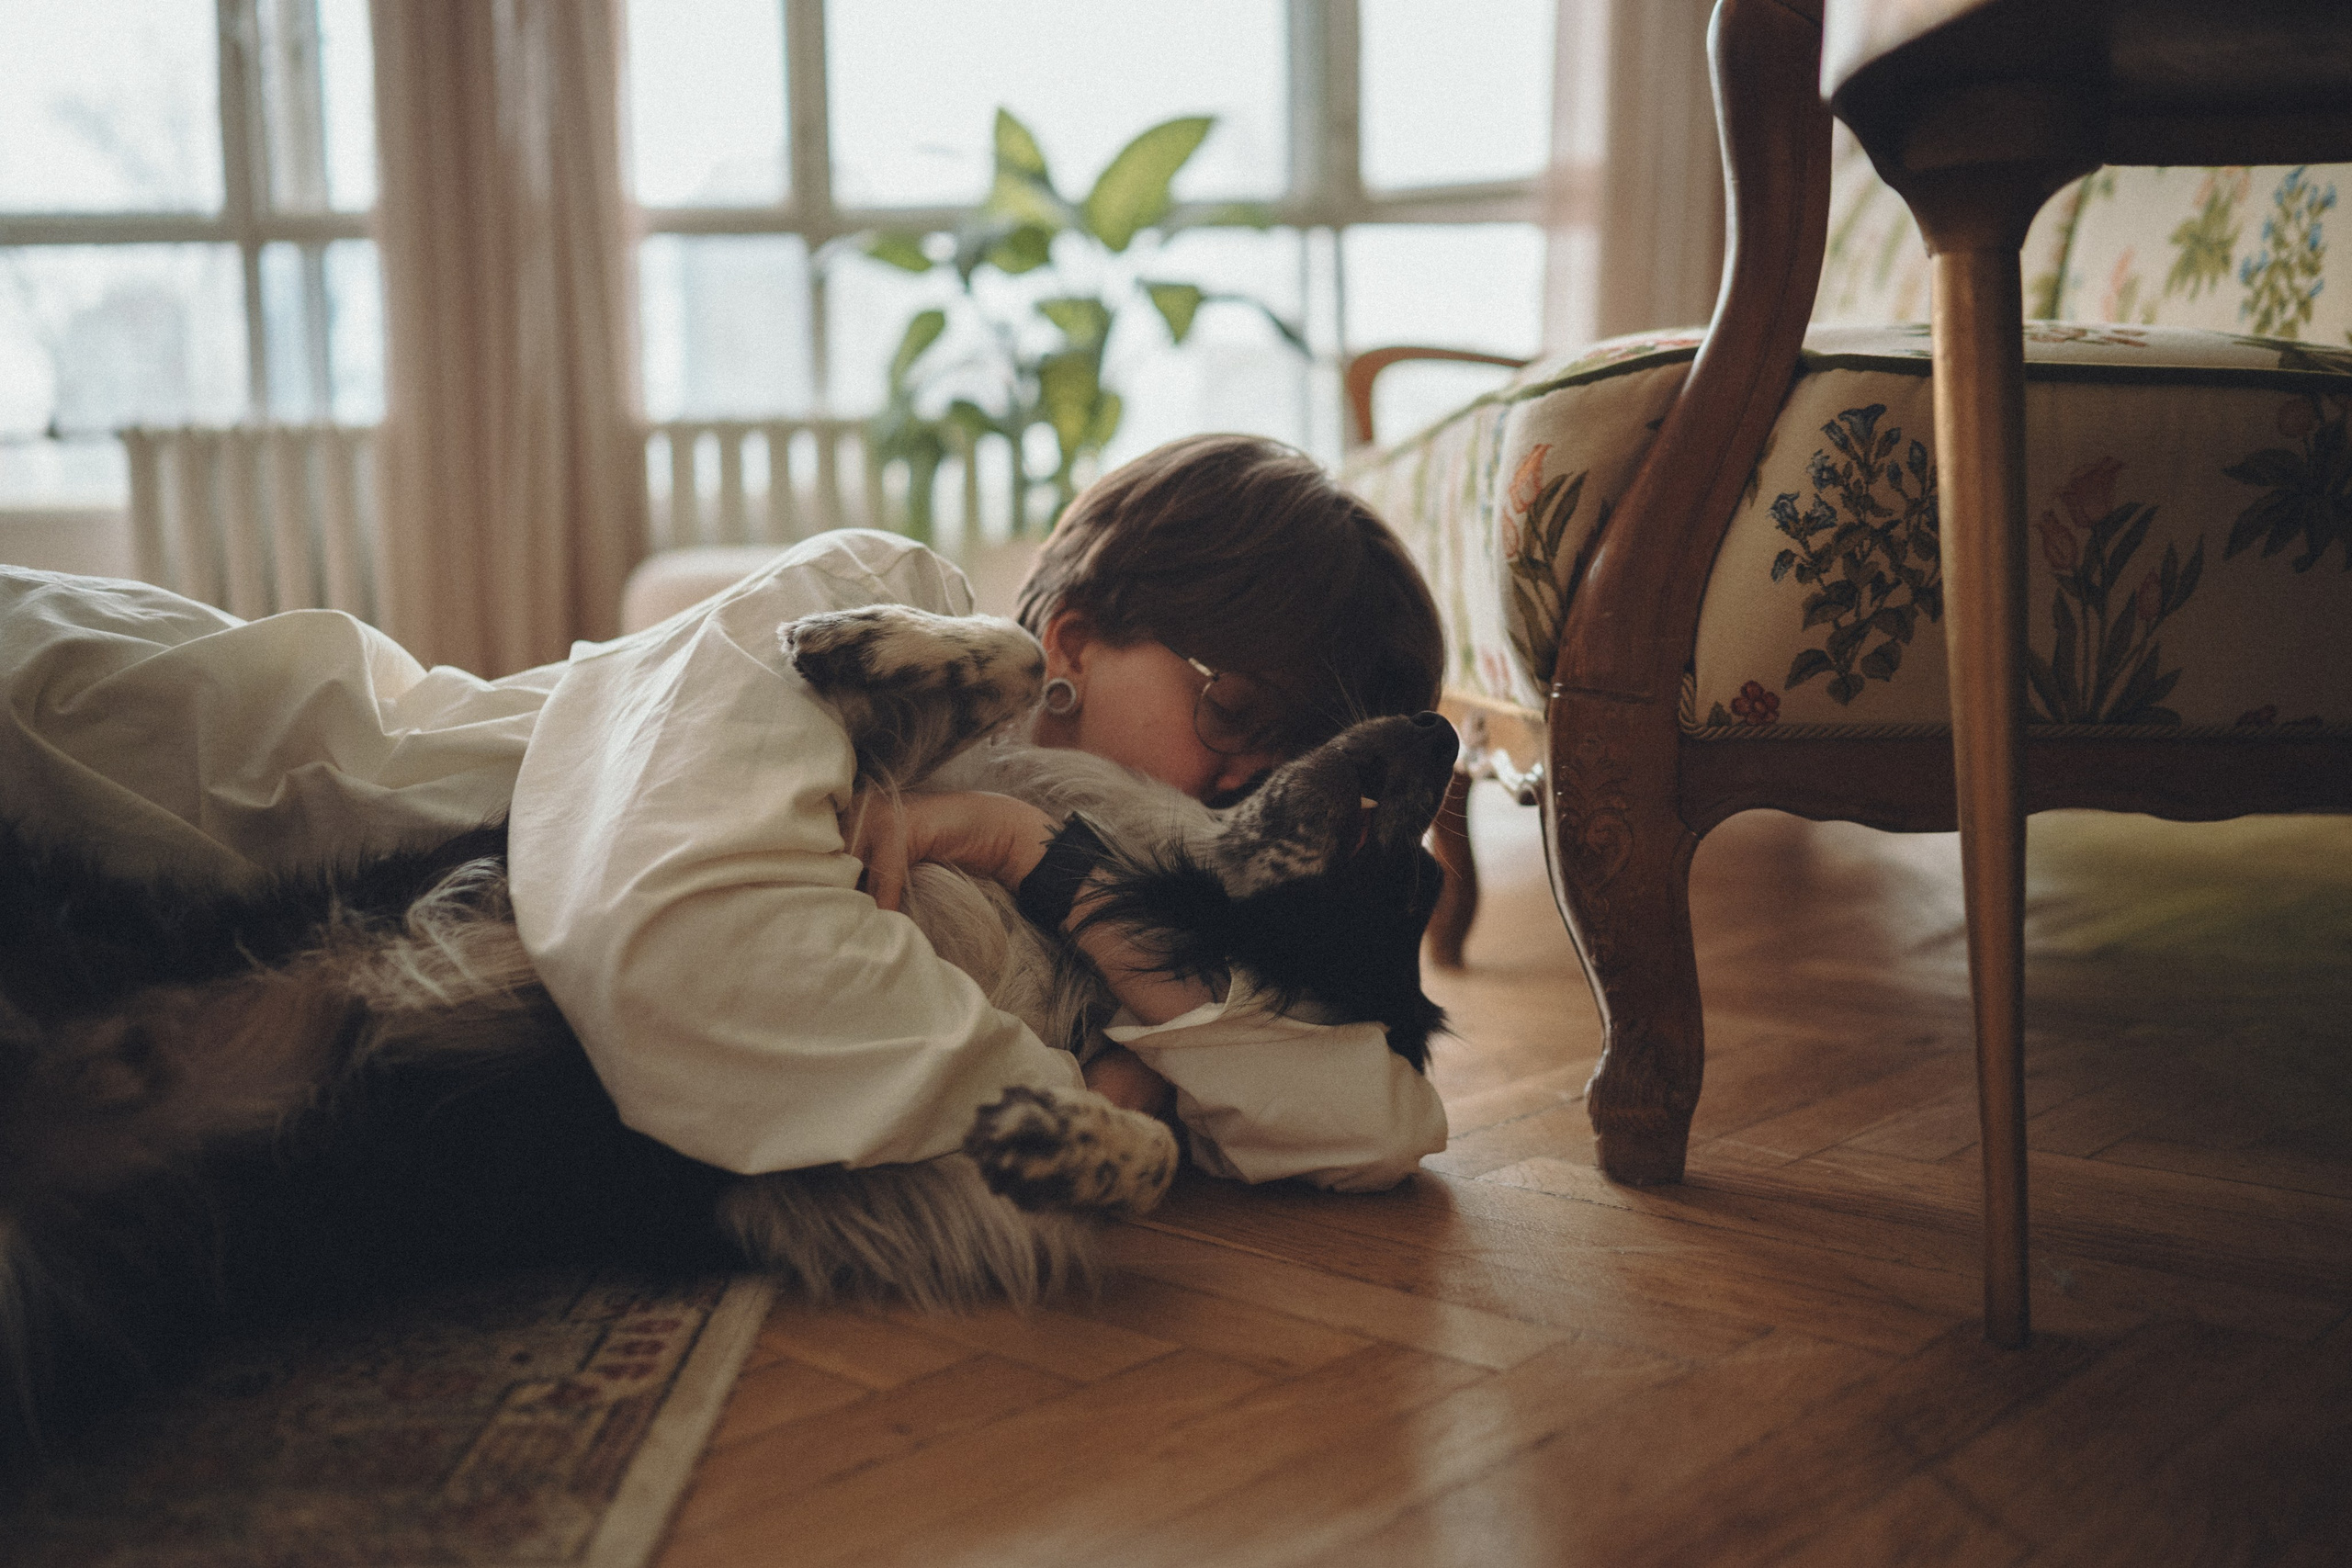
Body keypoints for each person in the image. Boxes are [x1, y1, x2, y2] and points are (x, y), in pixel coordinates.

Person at [0, 434, 1451, 1192]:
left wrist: (1034, 852)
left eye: (1297, 771)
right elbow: (680, 953)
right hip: (148, 748)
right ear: (1070, 639)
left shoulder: (1051, 881)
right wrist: (1083, 1095)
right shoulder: (871, 603)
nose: (1244, 795)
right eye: (1238, 715)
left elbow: (1373, 1129)